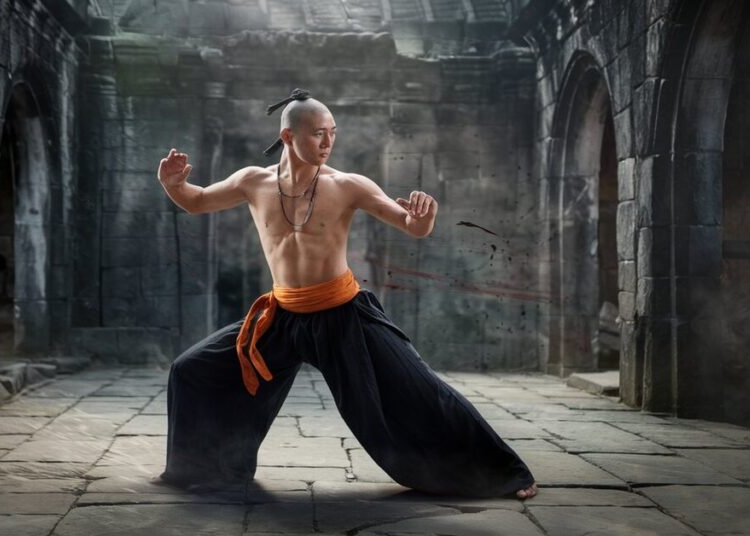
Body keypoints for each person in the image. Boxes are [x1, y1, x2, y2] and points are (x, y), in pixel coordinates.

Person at [153, 89, 538, 499]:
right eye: (318, 133)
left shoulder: (347, 186)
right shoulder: (253, 182)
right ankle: (197, 469)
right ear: (287, 137)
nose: (328, 142)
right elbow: (195, 201)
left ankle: (504, 473)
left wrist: (423, 219)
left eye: (332, 133)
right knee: (192, 370)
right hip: (280, 315)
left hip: (342, 315)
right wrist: (173, 184)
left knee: (419, 389)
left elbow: (409, 225)